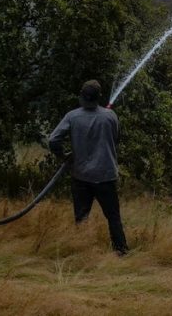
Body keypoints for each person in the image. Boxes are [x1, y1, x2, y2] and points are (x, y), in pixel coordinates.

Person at [48, 79, 128, 255]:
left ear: (82, 96)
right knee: (113, 217)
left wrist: (62, 156)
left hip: (81, 176)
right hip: (106, 175)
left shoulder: (72, 116)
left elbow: (53, 140)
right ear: (98, 97)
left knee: (81, 218)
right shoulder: (110, 116)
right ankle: (121, 252)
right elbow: (116, 138)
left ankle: (82, 251)